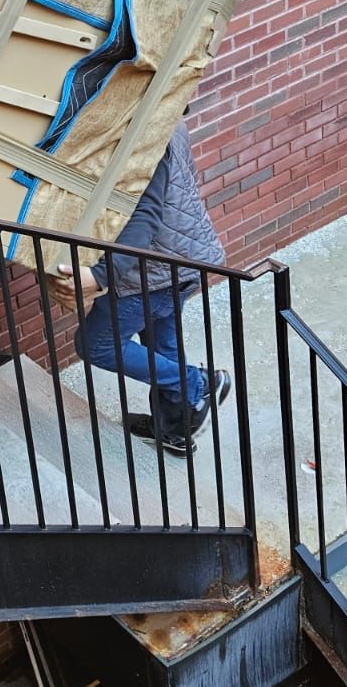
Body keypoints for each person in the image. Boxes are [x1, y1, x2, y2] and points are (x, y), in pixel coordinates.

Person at [52, 124, 231, 454]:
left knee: (96, 344)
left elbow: (144, 215)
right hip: (182, 260)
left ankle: (197, 384)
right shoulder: (167, 115)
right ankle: (173, 429)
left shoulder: (145, 130)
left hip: (153, 269)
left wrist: (101, 275)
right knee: (162, 344)